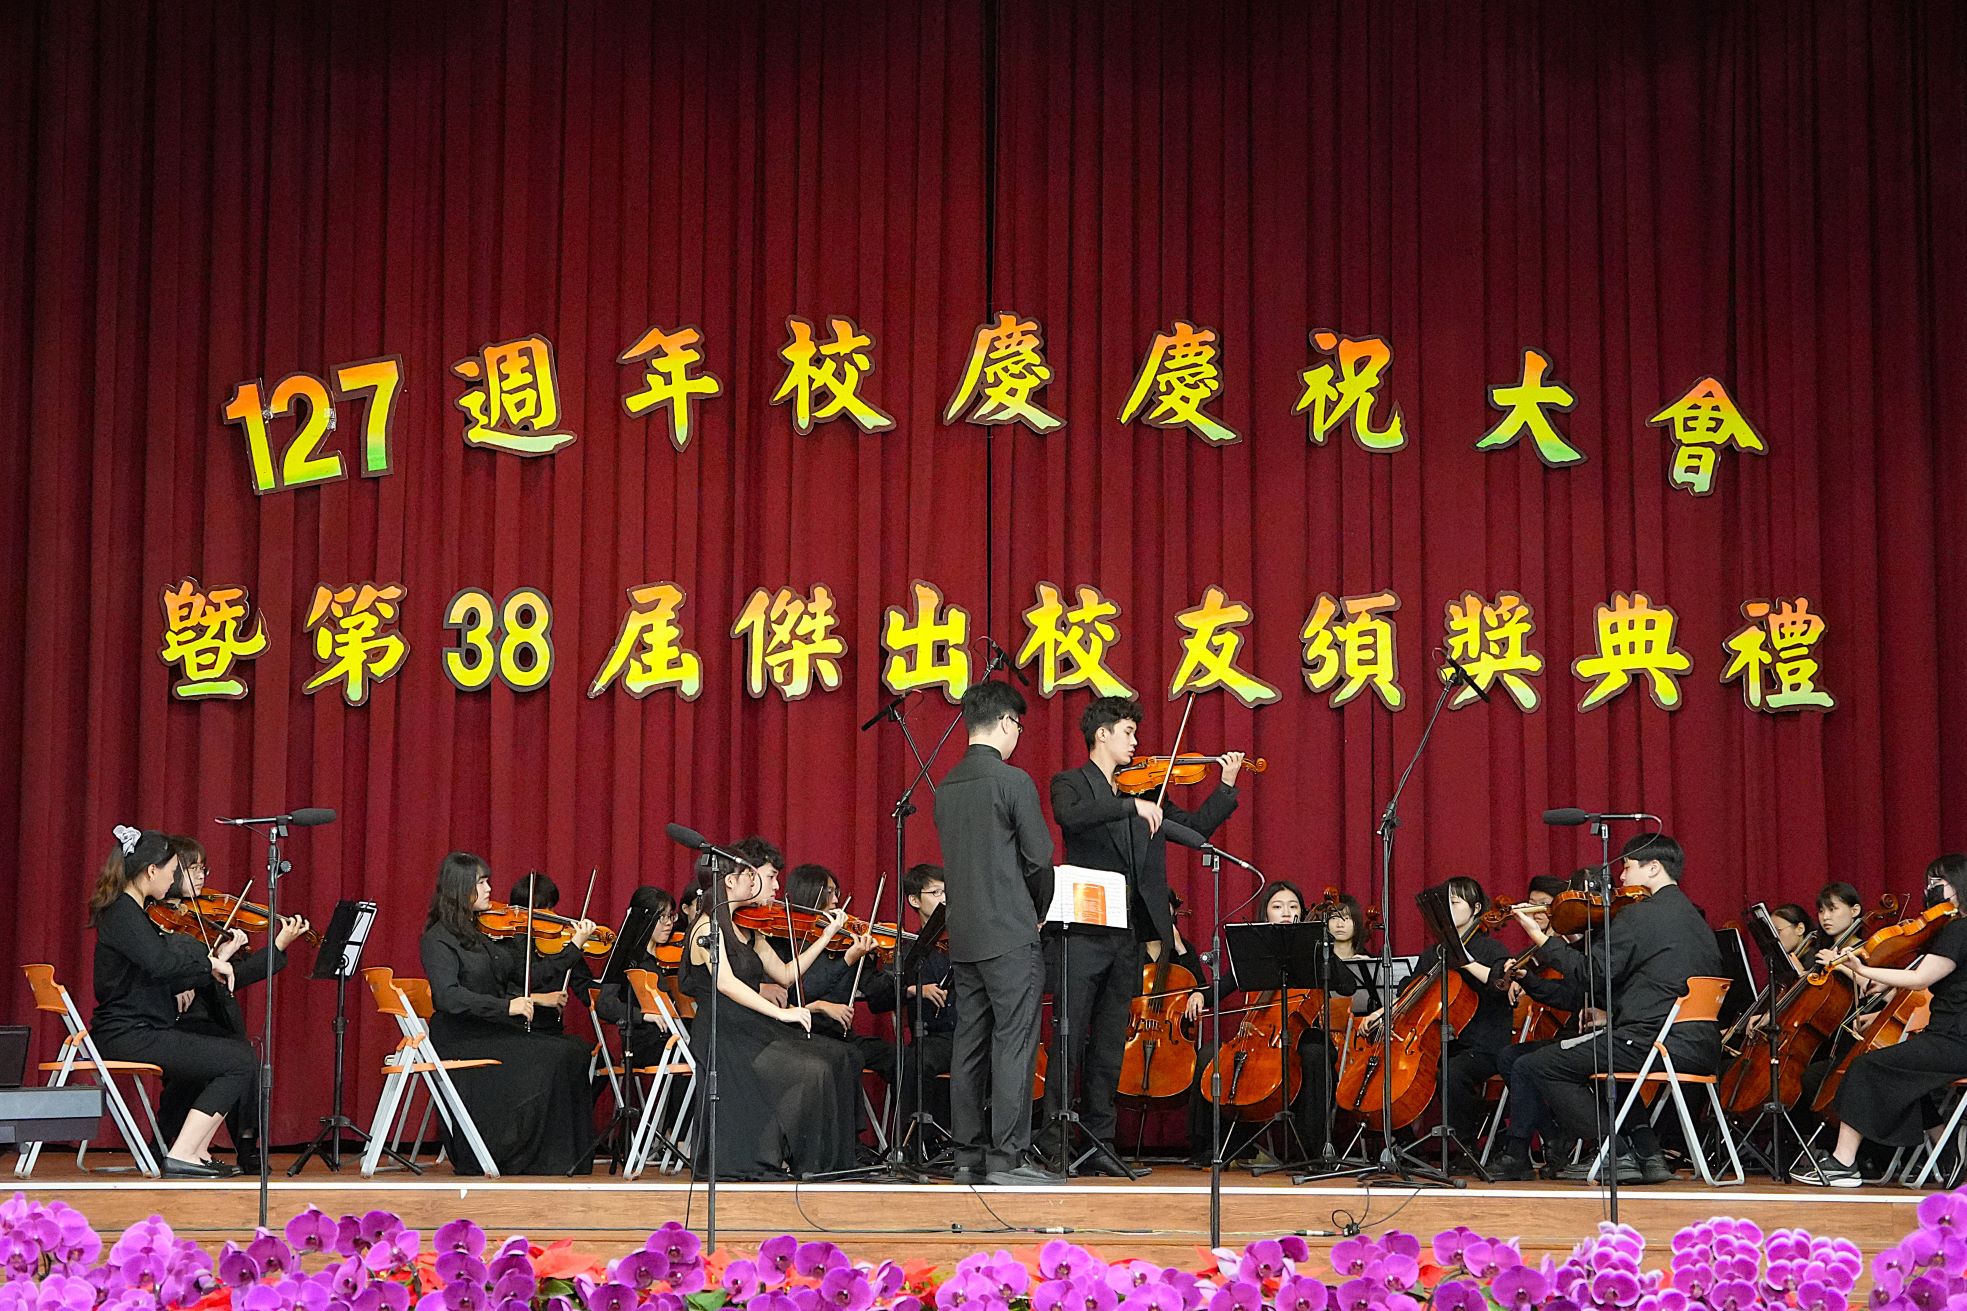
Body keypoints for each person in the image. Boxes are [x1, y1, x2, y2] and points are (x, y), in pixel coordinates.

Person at [1046, 695, 1243, 1175]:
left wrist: (1226, 785)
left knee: (1110, 1043)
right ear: (1102, 734)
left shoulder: (1150, 790)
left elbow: (1194, 828)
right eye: (1128, 732)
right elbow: (1072, 817)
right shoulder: (1070, 783)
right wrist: (1128, 805)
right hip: (1082, 930)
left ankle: (1100, 1144)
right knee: (1069, 1038)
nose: (1136, 742)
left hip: (1130, 933)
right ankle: (1053, 1144)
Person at [1503, 833, 1723, 1185]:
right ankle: (1645, 1153)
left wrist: (1542, 939)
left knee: (1535, 1065)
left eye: (1627, 867)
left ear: (1653, 868)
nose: (1621, 877)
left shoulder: (1640, 915)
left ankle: (1616, 1152)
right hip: (1698, 1045)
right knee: (1592, 1056)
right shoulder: (1695, 919)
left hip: (1651, 1043)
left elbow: (1591, 974)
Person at [934, 679, 1058, 1187]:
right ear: (1007, 722)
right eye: (1018, 726)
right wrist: (1038, 911)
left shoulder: (946, 786)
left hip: (964, 936)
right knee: (1014, 1042)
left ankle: (966, 1156)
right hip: (1010, 933)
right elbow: (1040, 858)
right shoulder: (1013, 781)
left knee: (969, 1044)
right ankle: (1008, 1158)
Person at [679, 850, 861, 1179]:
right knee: (813, 1069)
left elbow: (787, 975)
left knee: (836, 1057)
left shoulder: (748, 926)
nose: (757, 883)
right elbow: (727, 984)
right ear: (730, 881)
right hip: (724, 1033)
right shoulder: (706, 927)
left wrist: (826, 937)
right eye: (750, 876)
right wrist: (783, 1014)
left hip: (750, 1026)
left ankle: (832, 1165)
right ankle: (808, 1164)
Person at [86, 826, 254, 1177]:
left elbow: (163, 970)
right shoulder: (123, 912)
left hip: (138, 1029)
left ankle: (196, 1151)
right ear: (152, 870)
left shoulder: (131, 911)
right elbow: (161, 964)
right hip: (129, 1033)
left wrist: (214, 962)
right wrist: (209, 964)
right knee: (240, 1060)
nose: (174, 880)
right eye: (174, 871)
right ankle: (183, 1153)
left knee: (234, 1054)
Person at [418, 852, 598, 1174]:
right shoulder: (437, 939)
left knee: (576, 1049)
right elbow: (447, 997)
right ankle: (522, 1154)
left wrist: (574, 947)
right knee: (557, 1055)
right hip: (462, 1038)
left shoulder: (482, 935)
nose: (489, 889)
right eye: (481, 882)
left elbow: (530, 975)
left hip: (492, 1030)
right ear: (460, 887)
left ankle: (565, 1159)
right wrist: (506, 1006)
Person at [1794, 855, 1967, 1187]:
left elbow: (1921, 978)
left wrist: (1864, 970)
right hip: (1948, 1037)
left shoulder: (1959, 929)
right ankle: (1947, 1146)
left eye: (1937, 882)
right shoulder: (1952, 929)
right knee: (1905, 1078)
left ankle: (1844, 1163)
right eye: (1928, 882)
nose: (1929, 889)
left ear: (1960, 884)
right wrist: (1885, 984)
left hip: (1955, 1040)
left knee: (1865, 1066)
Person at [154, 834, 310, 1169]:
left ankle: (245, 1143)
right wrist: (191, 976)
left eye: (203, 869)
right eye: (192, 869)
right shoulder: (160, 921)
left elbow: (235, 976)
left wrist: (276, 947)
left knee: (240, 1050)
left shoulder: (204, 919)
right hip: (175, 1023)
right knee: (236, 1055)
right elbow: (160, 972)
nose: (201, 877)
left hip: (211, 1019)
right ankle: (185, 1145)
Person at [1360, 876, 1511, 1155]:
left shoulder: (1492, 950)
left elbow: (1500, 983)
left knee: (1452, 1073)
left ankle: (1463, 1147)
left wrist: (1464, 960)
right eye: (1445, 904)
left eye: (1455, 902)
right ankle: (1405, 1144)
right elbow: (1411, 993)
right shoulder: (1435, 953)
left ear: (1477, 908)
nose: (1448, 909)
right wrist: (1382, 1012)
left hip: (1481, 1044)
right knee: (1393, 1069)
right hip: (1439, 1042)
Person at [867, 863, 956, 1135]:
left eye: (947, 892)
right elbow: (877, 999)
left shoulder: (965, 942)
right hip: (934, 1038)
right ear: (914, 900)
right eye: (936, 892)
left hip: (970, 1035)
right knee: (914, 1062)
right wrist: (913, 989)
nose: (944, 898)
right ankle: (913, 1142)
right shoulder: (905, 947)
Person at [504, 872, 596, 1036]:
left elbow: (585, 987)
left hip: (551, 1029)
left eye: (551, 908)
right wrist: (540, 998)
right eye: (540, 910)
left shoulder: (560, 941)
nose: (550, 916)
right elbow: (525, 979)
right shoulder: (510, 941)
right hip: (515, 1029)